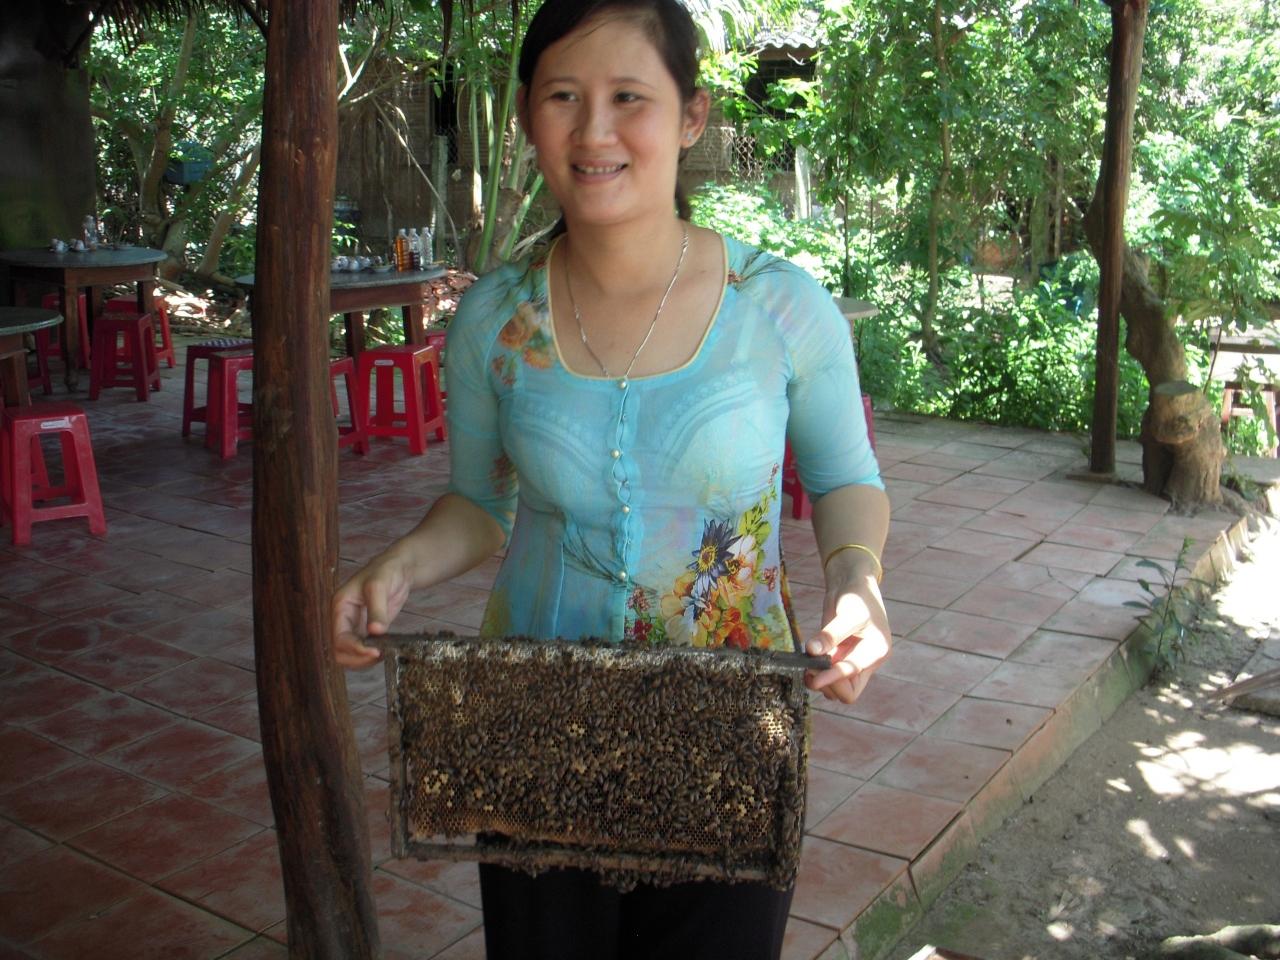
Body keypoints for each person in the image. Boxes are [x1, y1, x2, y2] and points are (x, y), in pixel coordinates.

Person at [332, 0, 892, 956]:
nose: (594, 131)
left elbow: (845, 480)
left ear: (692, 116)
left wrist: (858, 585)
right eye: (563, 97)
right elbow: (479, 504)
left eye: (629, 97)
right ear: (526, 116)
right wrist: (400, 567)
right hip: (533, 725)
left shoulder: (779, 309)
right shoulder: (495, 319)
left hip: (728, 730)